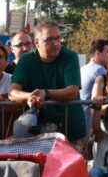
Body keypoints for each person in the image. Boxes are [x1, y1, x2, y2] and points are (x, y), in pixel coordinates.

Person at [8, 21, 86, 149]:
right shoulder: (26, 60)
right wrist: (30, 96)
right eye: (49, 39)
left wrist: (46, 94)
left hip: (71, 131)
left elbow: (72, 92)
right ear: (37, 42)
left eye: (58, 38)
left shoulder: (69, 56)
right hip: (38, 134)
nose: (55, 43)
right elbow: (12, 93)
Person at [80, 38, 108, 137]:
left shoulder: (83, 68)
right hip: (91, 122)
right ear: (97, 53)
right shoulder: (100, 70)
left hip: (81, 119)